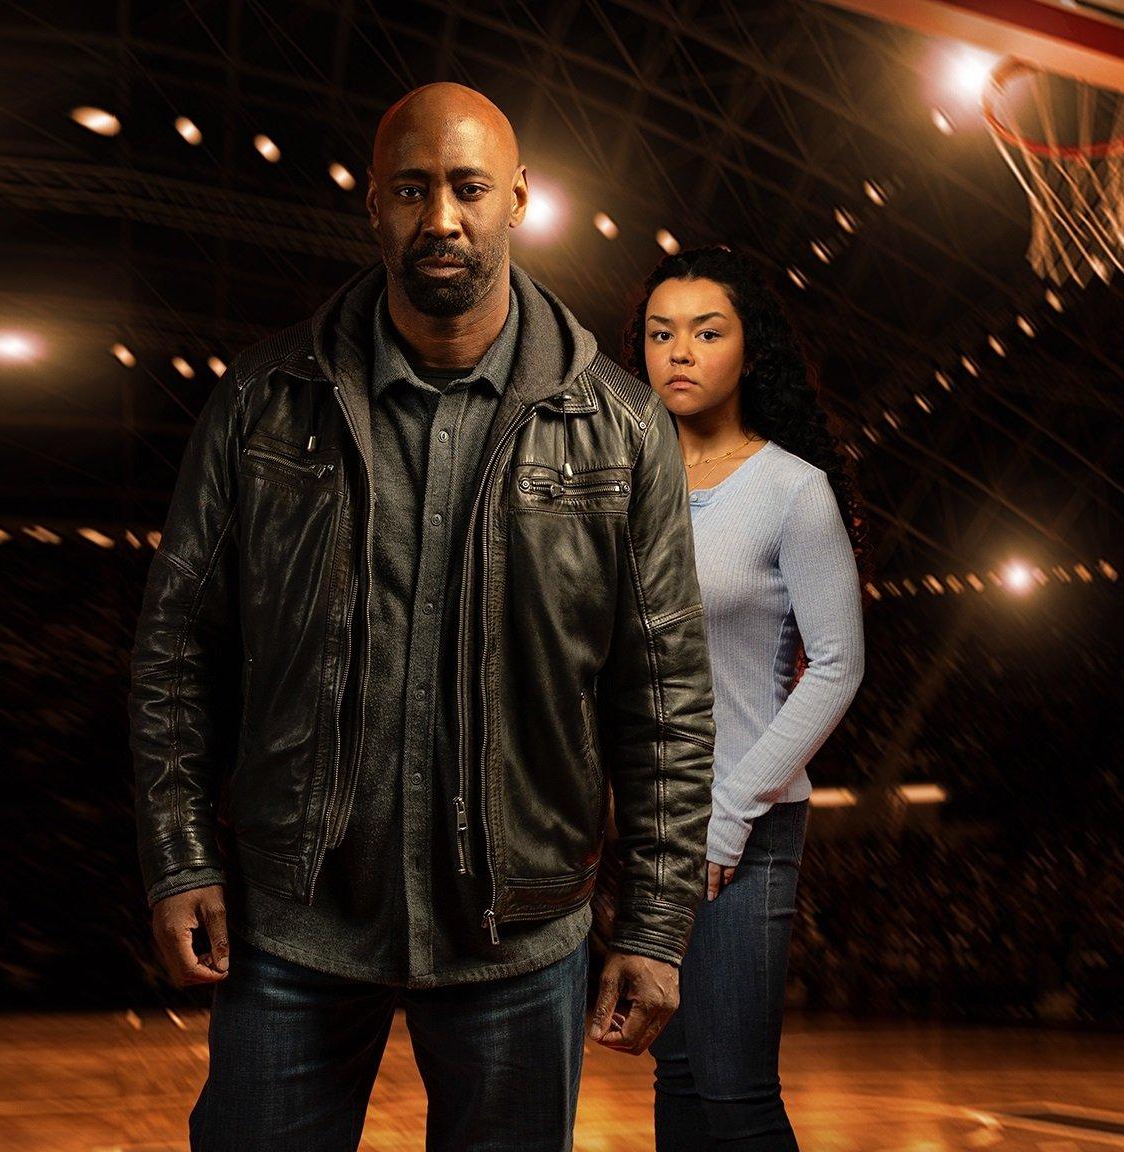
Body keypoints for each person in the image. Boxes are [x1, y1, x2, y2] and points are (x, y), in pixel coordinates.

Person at [128, 83, 716, 1152]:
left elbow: (665, 696)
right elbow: (177, 648)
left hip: (519, 938)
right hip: (295, 924)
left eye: (468, 188)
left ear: (517, 200)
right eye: (411, 189)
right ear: (373, 205)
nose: (440, 216)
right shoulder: (263, 399)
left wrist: (657, 924)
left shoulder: (624, 428)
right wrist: (181, 854)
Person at [621, 245, 868, 1150]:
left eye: (706, 332)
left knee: (734, 1093)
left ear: (750, 350)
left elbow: (837, 665)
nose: (679, 352)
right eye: (660, 334)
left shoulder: (793, 491)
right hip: (651, 827)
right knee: (680, 1079)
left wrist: (727, 817)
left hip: (743, 826)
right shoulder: (623, 483)